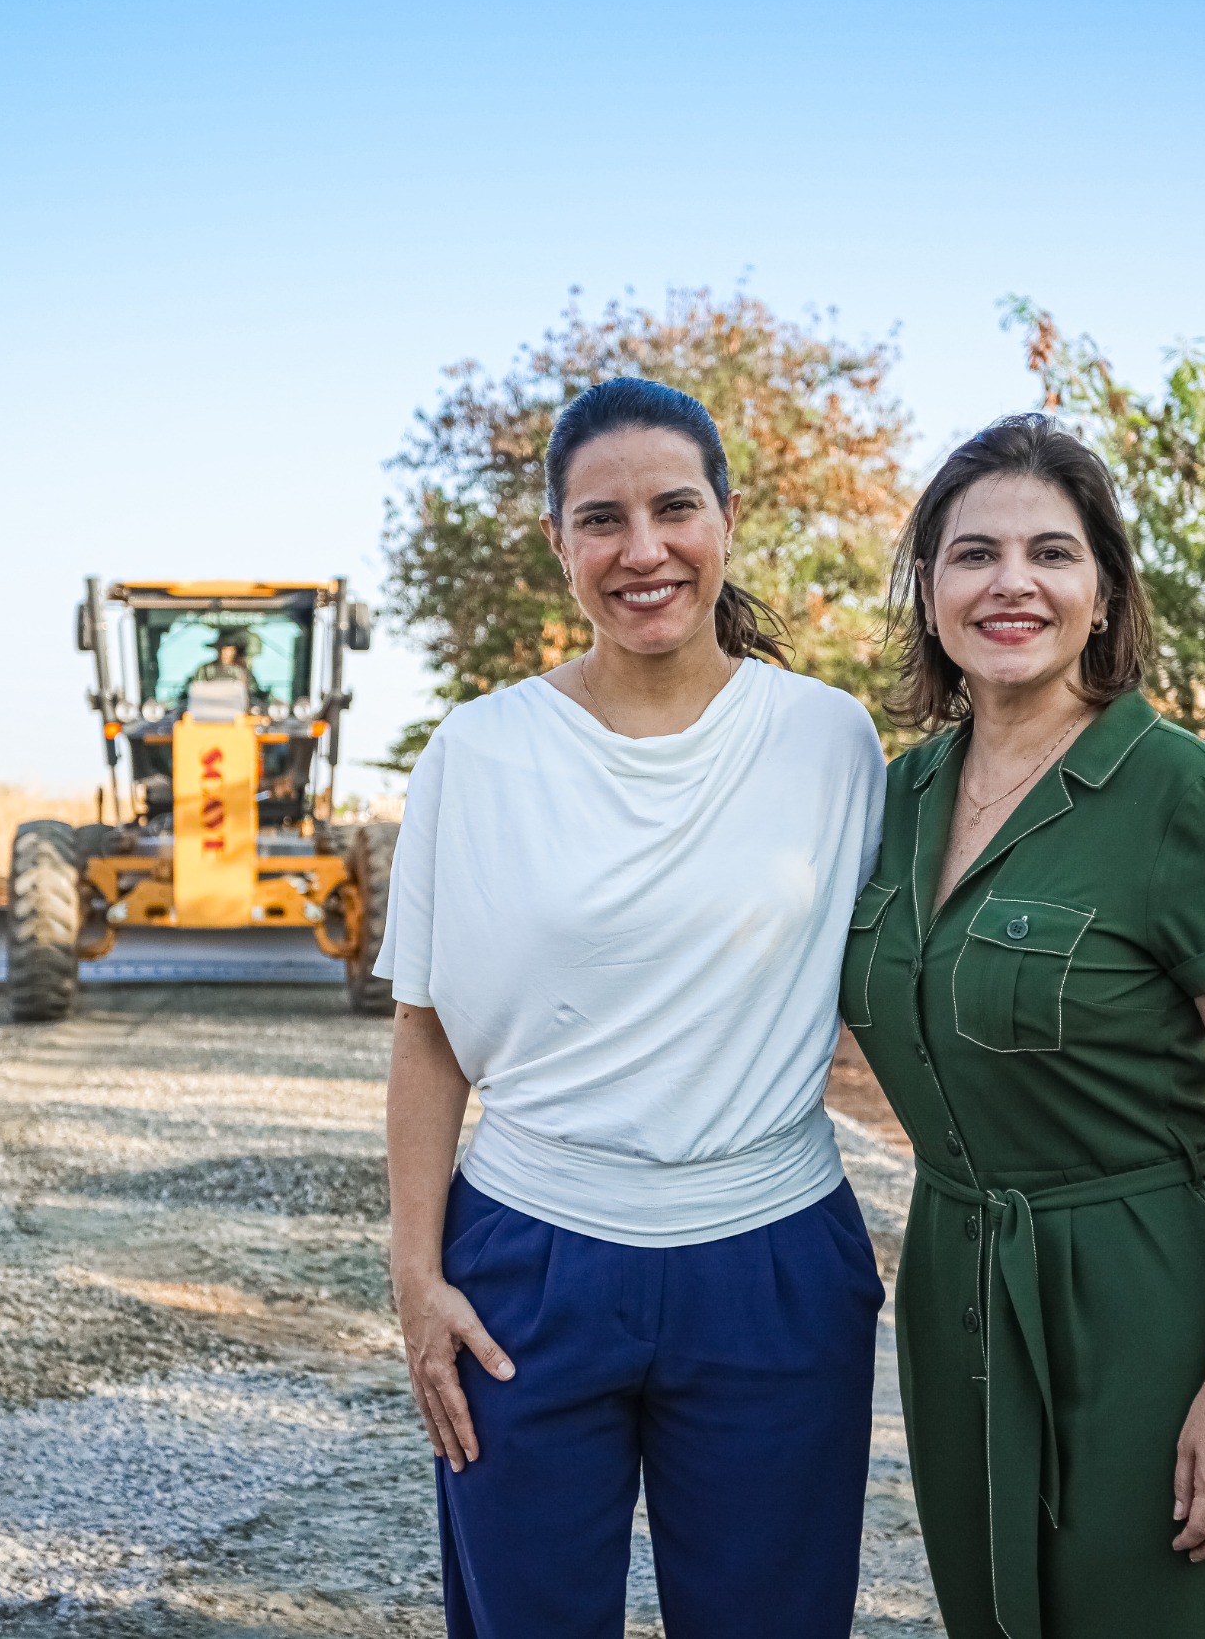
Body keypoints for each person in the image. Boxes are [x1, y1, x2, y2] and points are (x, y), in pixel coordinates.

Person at [378, 377, 889, 1638]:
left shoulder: (832, 741)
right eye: (601, 518)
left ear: (726, 518)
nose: (642, 548)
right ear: (557, 541)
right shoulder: (477, 753)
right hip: (527, 1270)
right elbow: (429, 1032)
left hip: (770, 1260)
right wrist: (413, 1272)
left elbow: (903, 993)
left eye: (674, 508)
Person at [842, 415, 1205, 1638]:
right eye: (972, 554)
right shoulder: (890, 797)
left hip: (1140, 1289)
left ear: (1101, 593)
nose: (1012, 582)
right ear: (932, 593)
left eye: (1051, 553)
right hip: (956, 1278)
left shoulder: (1185, 795)